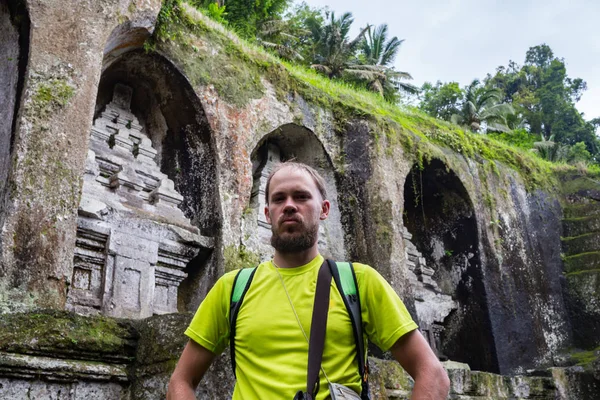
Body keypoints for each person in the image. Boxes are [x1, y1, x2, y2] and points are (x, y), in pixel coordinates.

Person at [167, 161, 450, 400]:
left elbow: (433, 375)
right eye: (279, 199)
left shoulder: (358, 282)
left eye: (301, 196)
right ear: (267, 214)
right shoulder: (233, 288)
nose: (289, 206)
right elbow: (181, 381)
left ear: (324, 209)